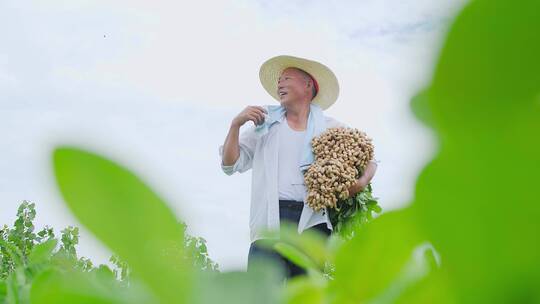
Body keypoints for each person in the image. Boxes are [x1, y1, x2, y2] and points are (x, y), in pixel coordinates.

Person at [219, 55, 378, 280]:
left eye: (286, 78)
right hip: (270, 220)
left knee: (305, 293)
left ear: (308, 85)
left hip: (312, 221)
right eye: (279, 81)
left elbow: (370, 159)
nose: (279, 84)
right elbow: (229, 164)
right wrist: (235, 125)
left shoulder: (330, 128)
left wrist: (360, 183)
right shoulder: (265, 123)